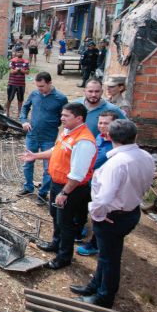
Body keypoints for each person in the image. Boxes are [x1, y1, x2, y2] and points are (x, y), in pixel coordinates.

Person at [70, 120, 155, 308]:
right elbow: (148, 183)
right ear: (135, 136)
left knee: (110, 259)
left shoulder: (116, 164)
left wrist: (97, 215)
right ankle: (94, 285)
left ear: (108, 136)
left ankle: (104, 297)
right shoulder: (146, 156)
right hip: (131, 211)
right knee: (107, 254)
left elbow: (104, 198)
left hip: (112, 215)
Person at [21, 102, 97, 269]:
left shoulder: (83, 142)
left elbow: (78, 175)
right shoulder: (67, 132)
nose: (61, 118)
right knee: (56, 217)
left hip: (71, 189)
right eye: (62, 115)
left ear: (79, 118)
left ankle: (64, 257)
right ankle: (55, 244)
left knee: (66, 223)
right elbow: (55, 151)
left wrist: (65, 193)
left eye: (66, 116)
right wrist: (35, 156)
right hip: (58, 184)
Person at [18, 72, 68, 205]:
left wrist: (62, 136)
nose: (39, 89)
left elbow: (65, 118)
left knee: (49, 168)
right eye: (37, 86)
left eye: (42, 86)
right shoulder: (34, 94)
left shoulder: (60, 98)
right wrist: (24, 120)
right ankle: (28, 187)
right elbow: (25, 107)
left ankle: (42, 193)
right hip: (32, 135)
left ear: (50, 83)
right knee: (28, 162)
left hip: (49, 137)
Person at [77, 110, 119, 257]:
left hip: (106, 185)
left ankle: (94, 244)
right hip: (92, 180)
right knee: (83, 205)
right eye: (100, 123)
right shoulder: (99, 137)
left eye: (106, 123)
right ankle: (80, 228)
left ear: (115, 124)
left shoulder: (117, 144)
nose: (102, 126)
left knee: (101, 215)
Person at [6, 46, 29, 118]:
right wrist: (20, 70)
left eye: (21, 51)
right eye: (18, 52)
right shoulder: (12, 61)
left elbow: (27, 72)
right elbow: (11, 71)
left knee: (20, 99)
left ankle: (19, 113)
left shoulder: (26, 61)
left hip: (21, 84)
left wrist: (19, 70)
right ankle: (7, 112)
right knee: (9, 98)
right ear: (15, 53)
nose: (20, 53)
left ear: (23, 52)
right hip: (12, 83)